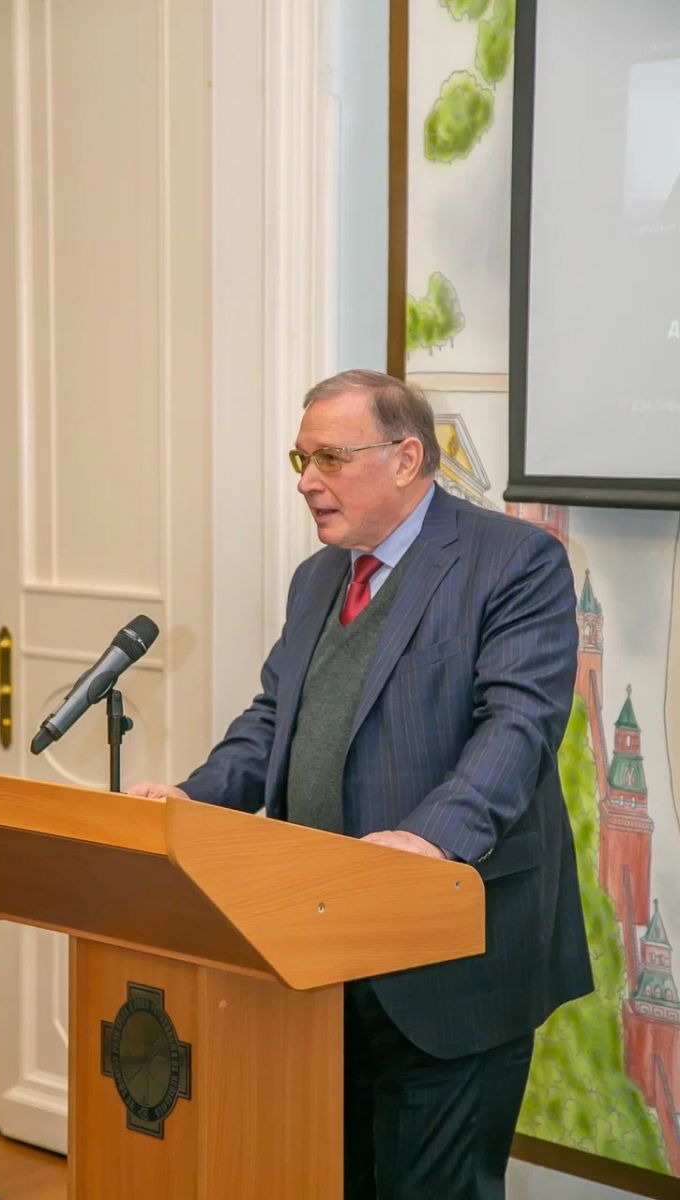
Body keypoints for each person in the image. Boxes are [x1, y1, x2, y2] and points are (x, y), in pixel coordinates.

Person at [130, 369, 593, 1199]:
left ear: (406, 458)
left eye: (330, 459)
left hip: (450, 957)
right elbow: (275, 719)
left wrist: (426, 840)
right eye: (301, 459)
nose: (307, 481)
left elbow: (518, 726)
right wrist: (195, 802)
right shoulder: (319, 576)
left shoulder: (514, 561)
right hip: (321, 948)